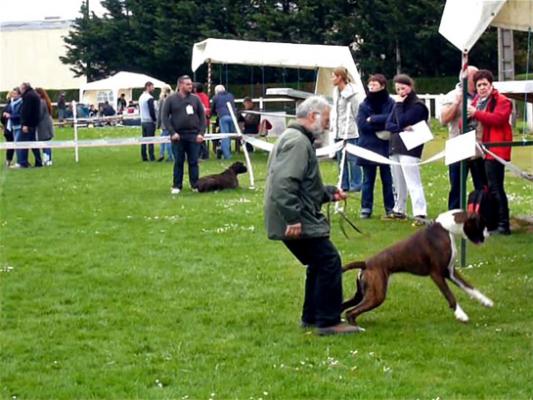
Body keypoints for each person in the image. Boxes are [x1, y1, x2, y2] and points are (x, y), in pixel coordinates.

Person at [264, 95, 360, 336]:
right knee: (328, 261)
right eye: (326, 118)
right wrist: (293, 219)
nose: (328, 125)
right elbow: (284, 184)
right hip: (295, 218)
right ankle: (327, 322)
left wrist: (327, 193)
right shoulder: (297, 142)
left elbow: (302, 184)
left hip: (294, 214)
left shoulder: (295, 138)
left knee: (320, 262)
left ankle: (312, 317)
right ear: (313, 116)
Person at [467, 69, 512, 235]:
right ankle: (490, 221)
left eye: (485, 84)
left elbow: (498, 119)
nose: (482, 88)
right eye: (479, 85)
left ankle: (504, 224)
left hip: (495, 149)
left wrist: (476, 113)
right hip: (478, 150)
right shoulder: (477, 101)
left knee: (495, 187)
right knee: (483, 188)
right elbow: (466, 122)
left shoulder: (502, 101)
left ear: (491, 84)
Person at [440, 66, 487, 210]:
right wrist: (456, 103)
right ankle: (455, 215)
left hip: (478, 145)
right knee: (456, 185)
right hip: (458, 144)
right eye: (475, 78)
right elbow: (443, 120)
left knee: (482, 185)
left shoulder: (483, 95)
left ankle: (483, 215)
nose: (478, 80)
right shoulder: (452, 95)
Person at [385, 74, 429, 223]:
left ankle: (420, 212)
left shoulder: (418, 105)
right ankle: (399, 209)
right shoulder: (398, 104)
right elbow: (389, 124)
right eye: (397, 89)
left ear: (410, 87)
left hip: (410, 147)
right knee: (398, 181)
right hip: (396, 145)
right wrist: (401, 127)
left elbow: (403, 119)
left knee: (412, 180)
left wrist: (399, 107)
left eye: (403, 88)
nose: (400, 92)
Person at [356, 74, 395, 219]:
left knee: (387, 179)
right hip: (368, 145)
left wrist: (373, 119)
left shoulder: (390, 102)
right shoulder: (364, 104)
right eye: (370, 84)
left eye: (375, 84)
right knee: (367, 179)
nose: (371, 87)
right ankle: (366, 208)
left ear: (383, 85)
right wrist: (379, 125)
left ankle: (390, 208)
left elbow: (392, 119)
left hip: (385, 146)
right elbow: (362, 125)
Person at [162, 75, 205, 194]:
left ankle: (195, 185)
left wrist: (201, 133)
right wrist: (172, 132)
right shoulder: (170, 99)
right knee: (178, 162)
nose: (191, 86)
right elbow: (164, 117)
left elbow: (202, 117)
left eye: (191, 84)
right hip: (178, 136)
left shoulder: (195, 99)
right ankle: (177, 185)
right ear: (180, 85)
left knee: (193, 162)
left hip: (193, 135)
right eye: (188, 84)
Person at [330, 66, 362, 192]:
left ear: (340, 77)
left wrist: (359, 129)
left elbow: (357, 112)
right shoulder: (335, 91)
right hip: (338, 130)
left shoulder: (352, 93)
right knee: (340, 160)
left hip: (350, 131)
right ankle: (343, 184)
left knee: (353, 159)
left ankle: (356, 184)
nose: (331, 79)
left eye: (333, 76)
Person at [13, 82, 42, 168]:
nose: (20, 91)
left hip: (28, 124)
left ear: (24, 88)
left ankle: (23, 162)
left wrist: (24, 124)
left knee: (23, 143)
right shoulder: (34, 94)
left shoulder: (28, 96)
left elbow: (26, 111)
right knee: (33, 144)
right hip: (33, 123)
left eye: (21, 89)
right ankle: (38, 162)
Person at [211, 84, 237, 159]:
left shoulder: (215, 97)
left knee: (225, 136)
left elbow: (213, 109)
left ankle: (227, 155)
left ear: (216, 91)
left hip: (223, 116)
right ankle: (221, 149)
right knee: (231, 133)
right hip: (233, 116)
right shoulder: (230, 95)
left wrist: (211, 114)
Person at [35, 88, 55, 166]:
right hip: (46, 124)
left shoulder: (41, 102)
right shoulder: (45, 101)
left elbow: (39, 114)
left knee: (45, 143)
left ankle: (48, 160)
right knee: (46, 143)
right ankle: (47, 159)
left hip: (44, 125)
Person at [1, 89, 21, 167]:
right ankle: (18, 161)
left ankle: (8, 161)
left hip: (7, 129)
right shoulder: (12, 106)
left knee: (10, 146)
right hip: (11, 128)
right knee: (15, 145)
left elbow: (2, 119)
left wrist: (4, 125)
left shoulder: (6, 107)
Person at [139, 81, 156, 161]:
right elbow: (151, 110)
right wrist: (154, 120)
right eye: (152, 87)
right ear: (148, 86)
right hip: (149, 121)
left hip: (143, 121)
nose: (154, 88)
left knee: (144, 139)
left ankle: (144, 156)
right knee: (151, 140)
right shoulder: (149, 98)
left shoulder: (141, 97)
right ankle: (151, 156)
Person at [193, 82, 211, 160]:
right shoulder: (205, 96)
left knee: (198, 138)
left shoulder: (195, 97)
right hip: (205, 119)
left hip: (198, 120)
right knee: (202, 137)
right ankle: (204, 153)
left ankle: (202, 153)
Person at [156, 87, 173, 162]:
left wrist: (158, 124)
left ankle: (163, 154)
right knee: (169, 140)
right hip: (172, 123)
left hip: (164, 123)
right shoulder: (173, 99)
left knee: (163, 139)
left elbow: (160, 113)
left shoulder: (162, 100)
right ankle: (169, 155)